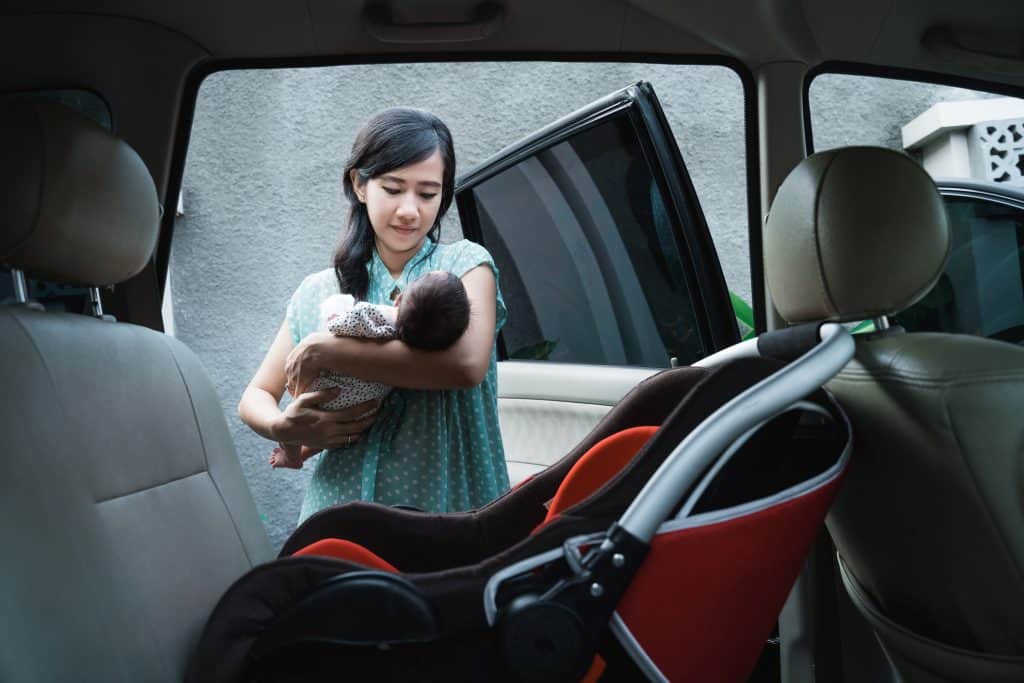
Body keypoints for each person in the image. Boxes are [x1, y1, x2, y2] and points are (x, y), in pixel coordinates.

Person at [238, 107, 510, 522]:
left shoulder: (467, 266)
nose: (409, 210)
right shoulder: (318, 290)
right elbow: (255, 396)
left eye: (427, 193)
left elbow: (465, 366)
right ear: (360, 185)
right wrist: (283, 428)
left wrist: (328, 351)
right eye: (393, 188)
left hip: (453, 511)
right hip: (338, 511)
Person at [268, 269, 471, 469]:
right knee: (335, 433)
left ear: (399, 299)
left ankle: (292, 455)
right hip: (362, 410)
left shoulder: (379, 315)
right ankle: (303, 454)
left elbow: (339, 327)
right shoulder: (416, 351)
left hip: (327, 391)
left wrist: (336, 311)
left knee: (294, 425)